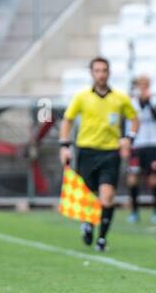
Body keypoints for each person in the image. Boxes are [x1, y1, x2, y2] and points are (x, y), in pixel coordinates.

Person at [59, 57, 138, 252]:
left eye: (104, 70)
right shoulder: (82, 97)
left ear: (109, 73)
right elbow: (67, 121)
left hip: (110, 152)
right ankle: (87, 224)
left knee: (107, 196)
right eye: (97, 70)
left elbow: (134, 119)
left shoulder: (120, 98)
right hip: (87, 150)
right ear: (92, 73)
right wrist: (64, 146)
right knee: (88, 196)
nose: (101, 74)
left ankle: (102, 238)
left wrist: (129, 137)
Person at [128, 75, 156, 223]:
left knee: (154, 178)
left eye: (146, 85)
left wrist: (148, 102)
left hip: (151, 144)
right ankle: (134, 212)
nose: (143, 87)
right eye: (140, 85)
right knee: (132, 178)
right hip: (136, 144)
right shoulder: (131, 102)